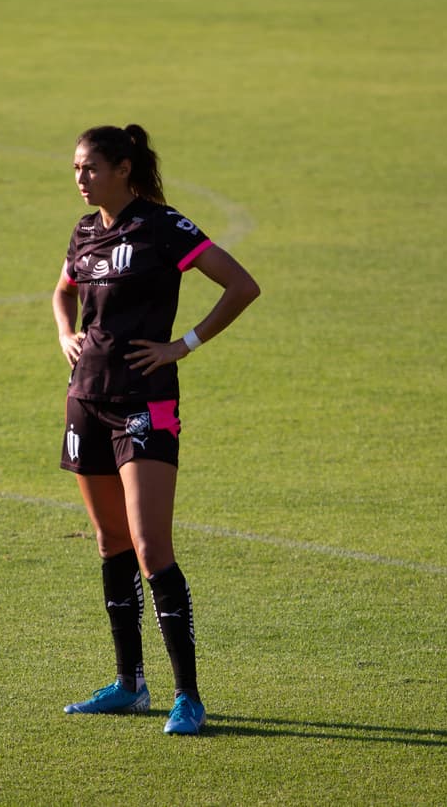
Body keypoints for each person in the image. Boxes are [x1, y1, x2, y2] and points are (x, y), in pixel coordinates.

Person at [52, 124, 260, 735]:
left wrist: (182, 346)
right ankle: (127, 684)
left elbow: (241, 285)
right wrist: (65, 334)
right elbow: (62, 295)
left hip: (145, 404)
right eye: (74, 169)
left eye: (89, 167)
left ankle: (188, 696)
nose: (80, 178)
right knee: (110, 544)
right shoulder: (84, 231)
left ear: (122, 167)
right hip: (85, 400)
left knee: (151, 547)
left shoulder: (164, 226)